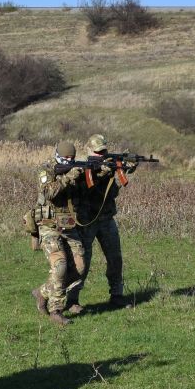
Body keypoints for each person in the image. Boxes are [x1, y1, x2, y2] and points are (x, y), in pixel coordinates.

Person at [70, 133, 133, 311]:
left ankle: (117, 295)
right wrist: (100, 172)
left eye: (103, 151)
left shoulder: (108, 165)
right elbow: (84, 189)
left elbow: (113, 191)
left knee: (115, 258)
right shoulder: (81, 167)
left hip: (106, 219)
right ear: (89, 151)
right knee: (82, 261)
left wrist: (121, 169)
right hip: (87, 220)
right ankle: (72, 300)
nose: (101, 155)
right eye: (98, 152)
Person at [31, 141, 87, 327]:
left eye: (72, 159)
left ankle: (42, 292)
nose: (70, 161)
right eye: (66, 159)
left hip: (69, 225)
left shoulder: (76, 169)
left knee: (79, 268)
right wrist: (68, 177)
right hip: (48, 225)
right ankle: (56, 310)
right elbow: (48, 193)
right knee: (60, 266)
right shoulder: (46, 170)